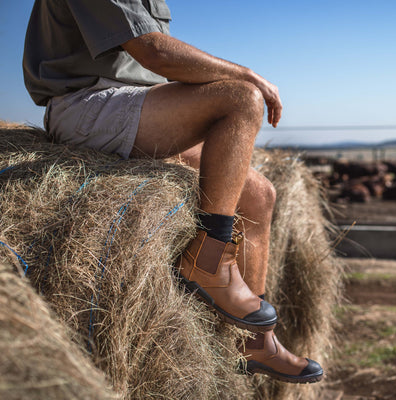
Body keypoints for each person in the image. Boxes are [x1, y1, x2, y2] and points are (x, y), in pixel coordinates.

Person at [23, 0, 323, 384]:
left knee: (258, 195)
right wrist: (247, 75)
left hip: (140, 105)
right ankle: (209, 260)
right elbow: (155, 52)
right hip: (85, 105)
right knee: (241, 99)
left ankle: (256, 342)